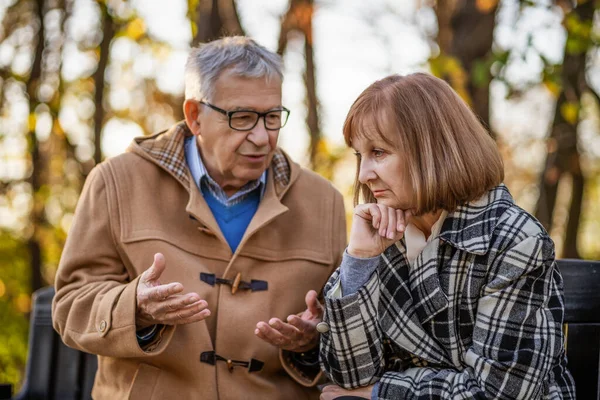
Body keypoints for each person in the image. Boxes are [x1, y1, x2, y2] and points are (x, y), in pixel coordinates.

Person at [52, 36, 346, 400]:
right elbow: (70, 307)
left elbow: (346, 335)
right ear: (195, 116)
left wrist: (311, 343)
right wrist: (135, 308)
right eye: (242, 118)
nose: (262, 137)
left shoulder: (325, 202)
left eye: (272, 117)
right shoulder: (116, 182)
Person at [316, 73, 575, 399]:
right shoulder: (381, 238)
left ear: (432, 150)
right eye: (359, 156)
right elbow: (349, 375)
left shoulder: (514, 240)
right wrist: (359, 261)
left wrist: (381, 392)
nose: (365, 175)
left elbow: (501, 393)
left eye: (379, 152)